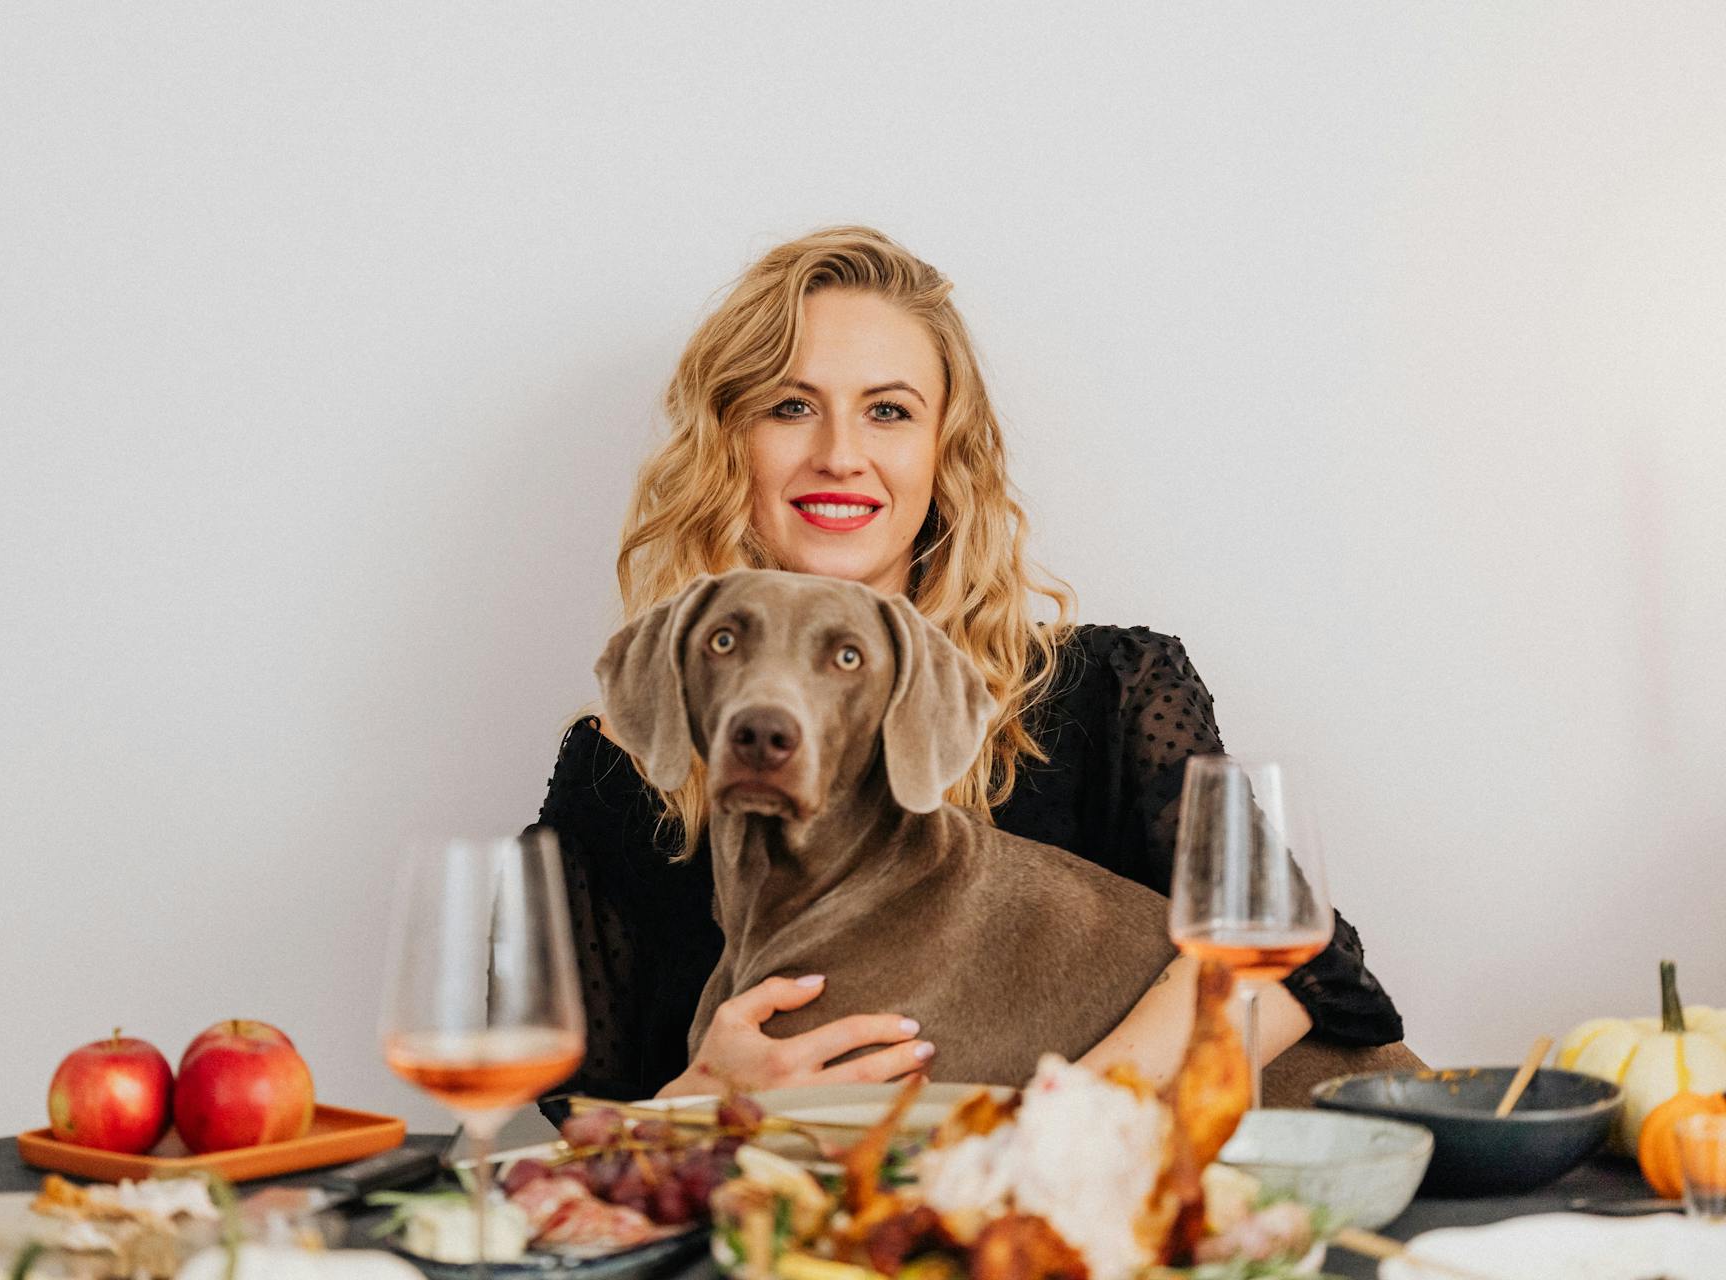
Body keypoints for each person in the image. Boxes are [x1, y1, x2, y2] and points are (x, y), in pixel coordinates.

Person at [535, 226, 1403, 1111]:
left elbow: (1294, 953)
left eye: (889, 410)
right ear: (727, 444)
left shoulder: (1105, 691)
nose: (840, 452)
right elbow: (562, 1119)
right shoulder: (617, 765)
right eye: (790, 407)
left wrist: (1053, 1121)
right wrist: (699, 1100)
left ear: (945, 453)